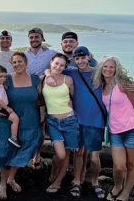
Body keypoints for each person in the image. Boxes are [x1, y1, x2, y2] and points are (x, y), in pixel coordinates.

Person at [47, 46, 106, 198]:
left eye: (83, 57)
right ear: (74, 60)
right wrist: (48, 74)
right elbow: (54, 70)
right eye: (77, 58)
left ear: (89, 57)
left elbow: (114, 78)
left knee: (94, 156)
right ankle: (77, 181)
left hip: (96, 120)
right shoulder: (71, 72)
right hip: (77, 119)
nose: (80, 61)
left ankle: (95, 182)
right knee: (78, 153)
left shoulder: (99, 73)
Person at [0, 52, 42, 200]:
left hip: (30, 121)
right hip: (9, 121)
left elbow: (40, 99)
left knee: (22, 152)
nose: (17, 64)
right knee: (6, 152)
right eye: (14, 62)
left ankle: (11, 179)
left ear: (26, 62)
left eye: (20, 61)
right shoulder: (6, 79)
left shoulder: (35, 79)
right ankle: (2, 183)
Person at [93, 56, 134, 201]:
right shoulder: (100, 87)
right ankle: (117, 186)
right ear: (101, 69)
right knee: (119, 166)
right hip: (115, 132)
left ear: (116, 69)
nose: (108, 69)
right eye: (105, 66)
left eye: (111, 67)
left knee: (131, 165)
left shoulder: (124, 85)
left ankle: (126, 193)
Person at [43, 53, 77, 194]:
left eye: (62, 65)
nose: (58, 67)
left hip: (70, 121)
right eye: (56, 63)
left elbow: (74, 98)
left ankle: (58, 182)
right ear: (51, 62)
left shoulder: (68, 79)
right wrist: (47, 74)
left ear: (65, 67)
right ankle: (54, 172)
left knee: (66, 155)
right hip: (52, 122)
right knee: (61, 154)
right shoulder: (43, 79)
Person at [24, 27, 55, 169]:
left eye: (37, 37)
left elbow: (68, 60)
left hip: (43, 96)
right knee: (27, 125)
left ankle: (37, 155)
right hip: (27, 94)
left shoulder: (51, 54)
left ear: (42, 38)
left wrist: (90, 57)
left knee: (41, 126)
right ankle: (25, 154)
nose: (34, 39)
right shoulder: (24, 55)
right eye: (31, 37)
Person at [0, 65, 21, 147]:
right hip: (1, 108)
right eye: (0, 76)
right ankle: (13, 137)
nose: (3, 78)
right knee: (15, 119)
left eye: (4, 76)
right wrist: (7, 108)